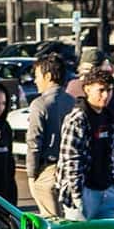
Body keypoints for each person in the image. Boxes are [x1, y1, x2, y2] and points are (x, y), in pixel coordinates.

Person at [56, 69, 114, 220]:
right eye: (101, 90)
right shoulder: (78, 118)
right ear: (87, 89)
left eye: (109, 90)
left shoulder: (108, 116)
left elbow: (112, 151)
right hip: (85, 191)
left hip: (107, 189)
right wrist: (76, 194)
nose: (106, 95)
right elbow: (71, 159)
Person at [65, 47, 114, 175]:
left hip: (79, 167)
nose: (104, 95)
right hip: (102, 169)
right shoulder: (111, 95)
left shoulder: (70, 89)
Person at [25, 53, 74, 218]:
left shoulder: (40, 104)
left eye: (37, 76)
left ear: (48, 76)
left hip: (48, 170)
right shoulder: (73, 102)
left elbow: (34, 142)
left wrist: (31, 174)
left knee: (52, 221)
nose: (35, 81)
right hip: (71, 169)